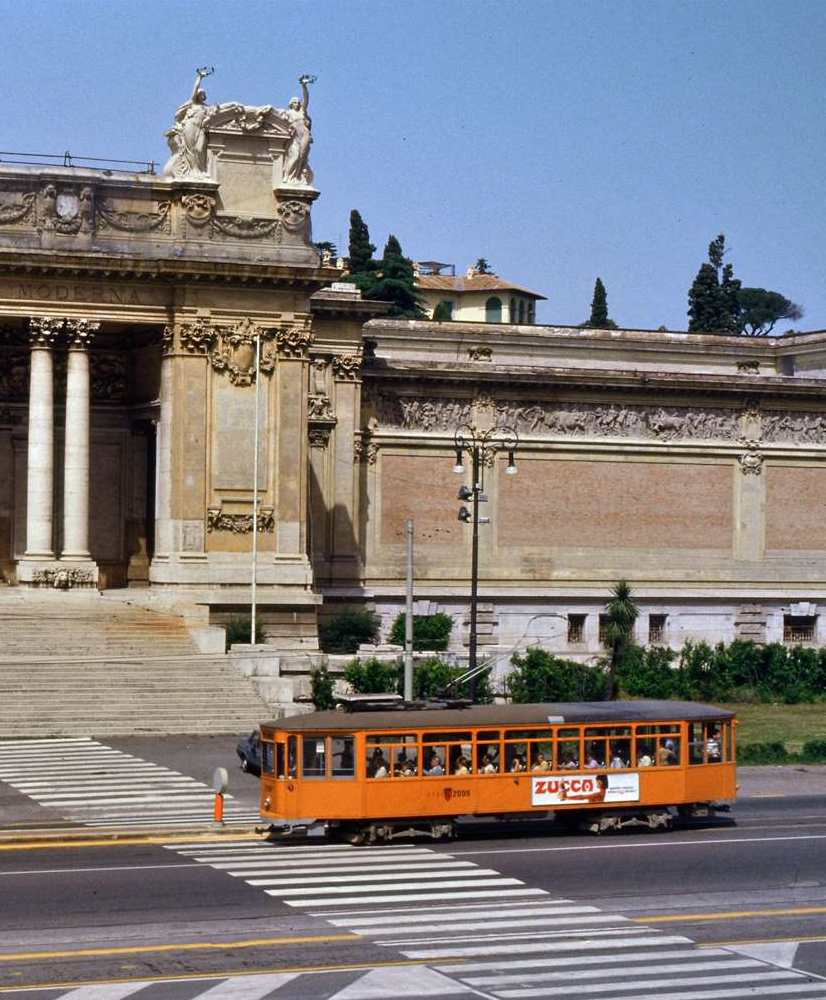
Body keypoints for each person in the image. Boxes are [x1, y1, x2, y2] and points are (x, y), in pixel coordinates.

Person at [282, 75, 315, 185]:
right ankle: (287, 176)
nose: (297, 104)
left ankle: (297, 177)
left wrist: (304, 86)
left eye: (298, 102)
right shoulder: (287, 113)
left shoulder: (302, 112)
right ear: (291, 104)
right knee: (295, 156)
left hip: (305, 135)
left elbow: (306, 99)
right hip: (295, 137)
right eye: (295, 102)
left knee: (302, 156)